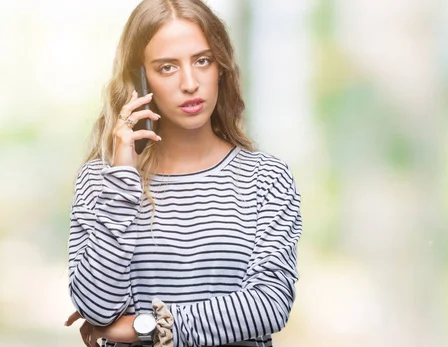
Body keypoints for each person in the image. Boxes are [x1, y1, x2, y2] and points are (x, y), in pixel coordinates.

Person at [63, 1, 302, 346]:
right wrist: (123, 177)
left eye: (202, 60)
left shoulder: (266, 179)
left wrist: (144, 328)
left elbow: (269, 304)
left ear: (220, 66)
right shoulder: (102, 180)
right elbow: (97, 309)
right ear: (140, 79)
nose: (190, 83)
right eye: (167, 68)